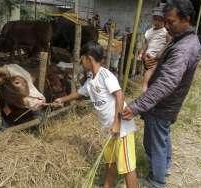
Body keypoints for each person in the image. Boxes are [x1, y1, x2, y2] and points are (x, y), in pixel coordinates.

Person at [122, 0, 201, 187]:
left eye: (170, 22)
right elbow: (170, 68)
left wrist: (136, 106)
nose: (166, 26)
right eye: (165, 21)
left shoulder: (184, 48)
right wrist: (157, 61)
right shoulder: (182, 39)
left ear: (186, 19)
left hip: (162, 106)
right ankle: (164, 168)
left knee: (154, 144)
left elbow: (166, 83)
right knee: (162, 138)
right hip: (167, 104)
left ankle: (156, 181)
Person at [53, 41, 138, 188]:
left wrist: (117, 123)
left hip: (121, 129)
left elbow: (120, 95)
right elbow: (79, 93)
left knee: (127, 168)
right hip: (109, 129)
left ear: (88, 58)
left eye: (82, 59)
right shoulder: (92, 79)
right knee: (110, 162)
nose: (81, 63)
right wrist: (61, 99)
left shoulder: (105, 75)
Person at [139, 6, 171, 93]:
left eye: (159, 20)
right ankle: (148, 87)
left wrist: (160, 52)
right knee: (148, 70)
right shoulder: (149, 32)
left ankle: (145, 86)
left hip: (157, 57)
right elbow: (146, 44)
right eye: (155, 19)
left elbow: (169, 42)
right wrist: (141, 53)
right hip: (148, 55)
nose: (157, 22)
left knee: (151, 71)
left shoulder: (165, 32)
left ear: (164, 21)